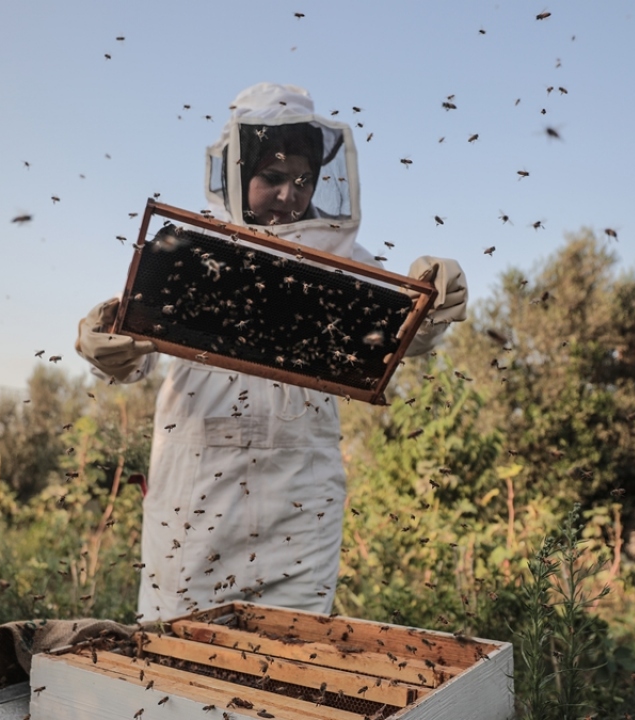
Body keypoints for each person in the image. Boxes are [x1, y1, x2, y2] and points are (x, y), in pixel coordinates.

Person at [75, 83, 468, 622]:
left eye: (303, 181)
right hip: (200, 490)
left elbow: (397, 339)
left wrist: (430, 298)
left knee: (290, 661)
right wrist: (102, 336)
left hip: (302, 495)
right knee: (178, 665)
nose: (290, 195)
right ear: (239, 177)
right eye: (273, 178)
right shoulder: (190, 249)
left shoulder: (344, 258)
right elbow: (134, 346)